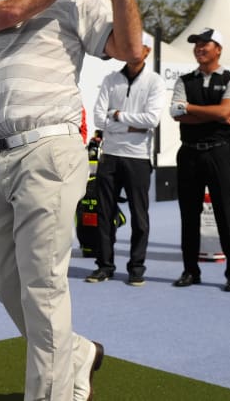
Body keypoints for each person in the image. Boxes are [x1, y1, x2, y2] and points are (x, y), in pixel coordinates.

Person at [0, 0, 143, 400]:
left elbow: (129, 50)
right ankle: (78, 353)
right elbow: (19, 8)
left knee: (43, 285)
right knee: (8, 284)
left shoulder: (81, 1)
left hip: (49, 149)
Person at [169, 28, 230, 292]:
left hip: (218, 151)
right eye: (197, 45)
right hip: (189, 151)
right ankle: (191, 270)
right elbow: (176, 113)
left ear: (218, 49)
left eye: (205, 44)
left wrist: (192, 109)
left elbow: (226, 109)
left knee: (226, 212)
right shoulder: (184, 80)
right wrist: (215, 114)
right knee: (188, 214)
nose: (199, 48)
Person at [88, 33, 165, 286]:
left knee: (139, 216)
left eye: (138, 47)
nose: (133, 52)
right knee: (104, 213)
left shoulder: (154, 82)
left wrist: (117, 116)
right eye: (128, 46)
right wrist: (130, 124)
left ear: (146, 51)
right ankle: (105, 266)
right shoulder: (111, 79)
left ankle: (136, 267)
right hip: (110, 156)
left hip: (138, 158)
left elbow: (152, 120)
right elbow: (99, 119)